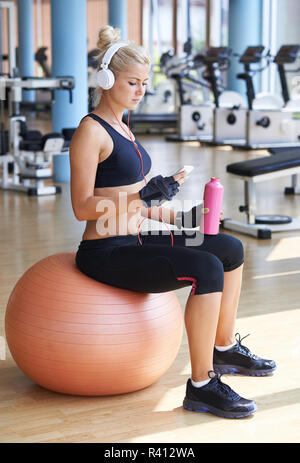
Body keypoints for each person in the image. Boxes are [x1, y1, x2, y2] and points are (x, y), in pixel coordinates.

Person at [69, 25, 276, 419]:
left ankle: (225, 346)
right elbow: (82, 206)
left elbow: (140, 205)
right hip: (105, 252)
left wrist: (183, 218)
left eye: (145, 83)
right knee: (205, 266)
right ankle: (202, 385)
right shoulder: (90, 131)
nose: (141, 90)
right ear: (107, 80)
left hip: (135, 239)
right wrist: (142, 195)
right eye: (133, 82)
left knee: (229, 248)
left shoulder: (124, 129)